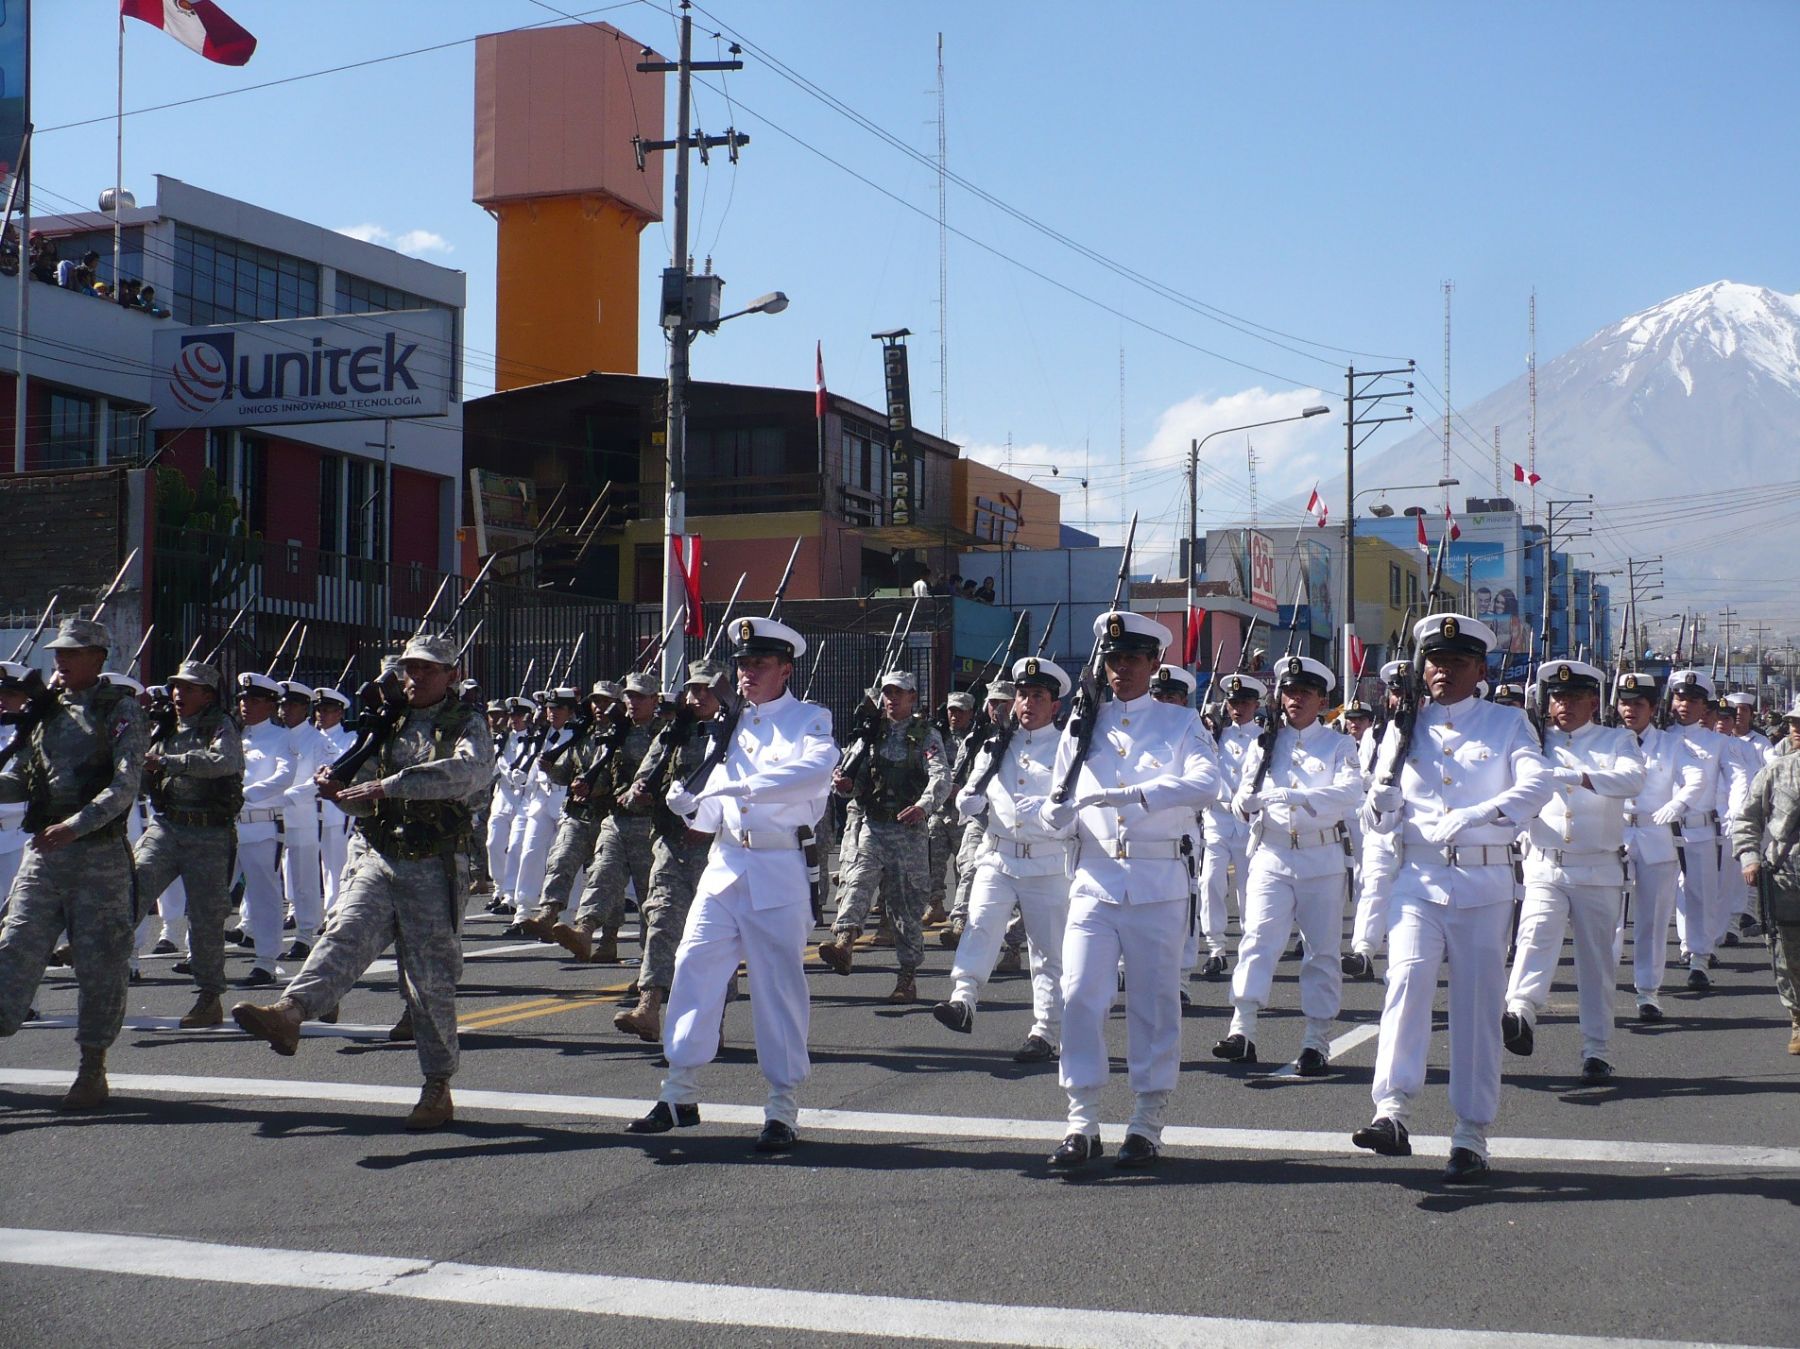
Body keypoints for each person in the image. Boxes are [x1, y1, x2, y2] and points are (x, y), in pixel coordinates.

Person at [233, 635, 495, 1130]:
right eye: (408, 669)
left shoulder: (466, 722)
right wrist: (340, 793)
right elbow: (361, 794)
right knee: (344, 935)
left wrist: (388, 786)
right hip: (378, 854)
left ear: (450, 675)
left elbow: (469, 773)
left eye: (427, 670)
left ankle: (437, 1085)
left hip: (433, 863)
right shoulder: (388, 724)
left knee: (428, 979)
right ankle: (290, 1013)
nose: (414, 678)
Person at [1353, 613, 1552, 1184]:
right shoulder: (1400, 727)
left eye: (1456, 663)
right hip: (1417, 880)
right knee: (1406, 984)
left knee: (1477, 1008)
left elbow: (1536, 785)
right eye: (1434, 663)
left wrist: (1475, 814)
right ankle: (1391, 1112)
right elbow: (1376, 816)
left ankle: (1471, 1133)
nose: (1442, 672)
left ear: (1479, 670)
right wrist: (1381, 804)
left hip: (1484, 883)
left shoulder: (1506, 724)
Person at [630, 616, 835, 1152]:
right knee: (694, 968)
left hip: (778, 866)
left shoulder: (809, 720)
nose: (746, 673)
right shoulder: (731, 723)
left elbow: (814, 774)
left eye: (758, 664)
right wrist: (689, 806)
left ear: (785, 669)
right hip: (725, 865)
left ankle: (782, 1108)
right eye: (742, 665)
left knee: (777, 987)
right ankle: (678, 1091)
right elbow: (710, 811)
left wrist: (736, 790)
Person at [1040, 611, 1219, 1170]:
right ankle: (1082, 1120)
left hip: (1158, 882)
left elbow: (1207, 783)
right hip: (1095, 880)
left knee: (1153, 1004)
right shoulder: (1081, 726)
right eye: (1113, 660)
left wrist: (1135, 795)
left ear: (1154, 664)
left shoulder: (1180, 723)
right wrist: (1054, 815)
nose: (1121, 669)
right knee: (1080, 997)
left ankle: (1146, 1120)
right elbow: (1060, 802)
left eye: (1133, 660)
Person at [0, 617, 148, 1109]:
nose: (61, 658)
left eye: (73, 651)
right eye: (59, 650)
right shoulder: (45, 712)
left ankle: (92, 1068)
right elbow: (19, 778)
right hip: (43, 856)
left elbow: (126, 784)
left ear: (99, 658)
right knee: (13, 948)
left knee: (101, 965)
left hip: (97, 858)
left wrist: (76, 826)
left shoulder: (118, 709)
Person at [1218, 655, 1362, 1073]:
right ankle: (1241, 1030)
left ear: (1321, 699)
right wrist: (1244, 803)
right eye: (1289, 692)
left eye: (1304, 693)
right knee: (1257, 940)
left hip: (1321, 858)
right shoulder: (1266, 743)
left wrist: (1304, 799)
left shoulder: (1339, 745)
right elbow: (1243, 794)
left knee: (1321, 952)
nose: (1295, 699)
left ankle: (1316, 1040)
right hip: (1272, 854)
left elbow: (1351, 791)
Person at [1503, 660, 1644, 1083]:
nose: (1563, 705)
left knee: (1596, 963)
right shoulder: (1533, 740)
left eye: (1573, 697)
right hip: (1546, 862)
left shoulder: (1617, 740)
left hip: (1598, 868)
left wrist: (1577, 776)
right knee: (1533, 937)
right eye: (1557, 697)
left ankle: (1596, 1050)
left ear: (1592, 701)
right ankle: (1520, 1014)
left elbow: (1632, 781)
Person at [934, 655, 1076, 1061]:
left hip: (1047, 862)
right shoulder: (996, 744)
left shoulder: (1068, 749)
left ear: (1055, 706)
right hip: (997, 856)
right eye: (1022, 695)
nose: (1027, 702)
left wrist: (1045, 809)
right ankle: (964, 1000)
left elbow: (1074, 809)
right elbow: (975, 791)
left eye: (1037, 695)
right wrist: (967, 800)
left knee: (1048, 952)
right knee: (979, 926)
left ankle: (1046, 1033)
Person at [615, 660, 731, 1041]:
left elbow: (747, 791)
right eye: (693, 689)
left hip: (717, 850)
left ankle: (712, 1019)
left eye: (706, 689)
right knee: (661, 919)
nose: (697, 696)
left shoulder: (739, 733)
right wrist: (639, 792)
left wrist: (710, 822)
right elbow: (644, 778)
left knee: (712, 937)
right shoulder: (673, 732)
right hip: (671, 843)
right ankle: (648, 1007)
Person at [819, 670, 949, 1003]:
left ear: (912, 698)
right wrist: (846, 785)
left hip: (908, 832)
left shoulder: (925, 737)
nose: (891, 699)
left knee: (905, 908)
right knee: (857, 881)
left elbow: (940, 778)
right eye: (887, 693)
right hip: (874, 826)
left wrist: (923, 805)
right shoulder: (870, 735)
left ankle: (907, 977)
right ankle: (844, 943)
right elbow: (857, 780)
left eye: (899, 693)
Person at [135, 660, 245, 1029]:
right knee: (130, 888)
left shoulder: (220, 725)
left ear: (208, 695)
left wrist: (168, 761)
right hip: (166, 826)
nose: (179, 693)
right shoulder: (165, 724)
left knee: (207, 917)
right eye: (176, 686)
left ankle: (209, 996)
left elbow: (225, 762)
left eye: (189, 688)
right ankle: (102, 953)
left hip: (209, 833)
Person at [555, 671, 664, 963]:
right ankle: (584, 929)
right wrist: (589, 785)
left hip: (650, 825)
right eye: (629, 695)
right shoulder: (616, 731)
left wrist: (651, 794)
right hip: (616, 819)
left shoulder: (665, 733)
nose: (632, 701)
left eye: (640, 696)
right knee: (601, 875)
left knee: (649, 897)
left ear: (655, 699)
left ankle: (651, 963)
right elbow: (604, 772)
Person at [1614, 672, 1699, 1022]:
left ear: (1652, 708)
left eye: (1638, 704)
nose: (1630, 710)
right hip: (1614, 835)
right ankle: (1602, 981)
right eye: (1624, 703)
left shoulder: (1670, 745)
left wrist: (1678, 804)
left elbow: (1696, 778)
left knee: (1653, 919)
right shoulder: (1608, 741)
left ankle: (1648, 992)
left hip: (1655, 835)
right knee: (1607, 918)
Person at [1732, 699, 1800, 1055]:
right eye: (1793, 722)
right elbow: (1747, 819)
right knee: (1786, 953)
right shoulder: (1775, 771)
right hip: (1786, 878)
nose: (1795, 729)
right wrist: (1749, 857)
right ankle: (1797, 1017)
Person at [1664, 669, 1725, 990]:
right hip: (1660, 830)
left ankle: (1700, 956)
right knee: (1671, 894)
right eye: (1679, 697)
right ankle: (1684, 947)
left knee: (1700, 893)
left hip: (1699, 829)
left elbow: (1732, 784)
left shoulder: (1717, 744)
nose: (1684, 704)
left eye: (1693, 699)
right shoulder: (1659, 737)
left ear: (1705, 707)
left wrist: (1731, 819)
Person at [235, 672, 295, 987]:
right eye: (243, 698)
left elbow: (284, 776)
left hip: (260, 827)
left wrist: (244, 794)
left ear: (271, 705)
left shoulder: (281, 738)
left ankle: (266, 961)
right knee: (209, 894)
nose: (246, 704)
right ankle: (196, 956)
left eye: (255, 700)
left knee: (263, 896)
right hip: (224, 827)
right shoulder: (230, 735)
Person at [276, 681, 331, 959]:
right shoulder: (273, 736)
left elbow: (323, 777)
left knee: (304, 876)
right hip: (268, 816)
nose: (285, 710)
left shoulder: (318, 741)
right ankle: (251, 926)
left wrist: (289, 795)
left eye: (291, 705)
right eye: (282, 705)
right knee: (271, 874)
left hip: (301, 814)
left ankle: (305, 935)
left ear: (304, 708)